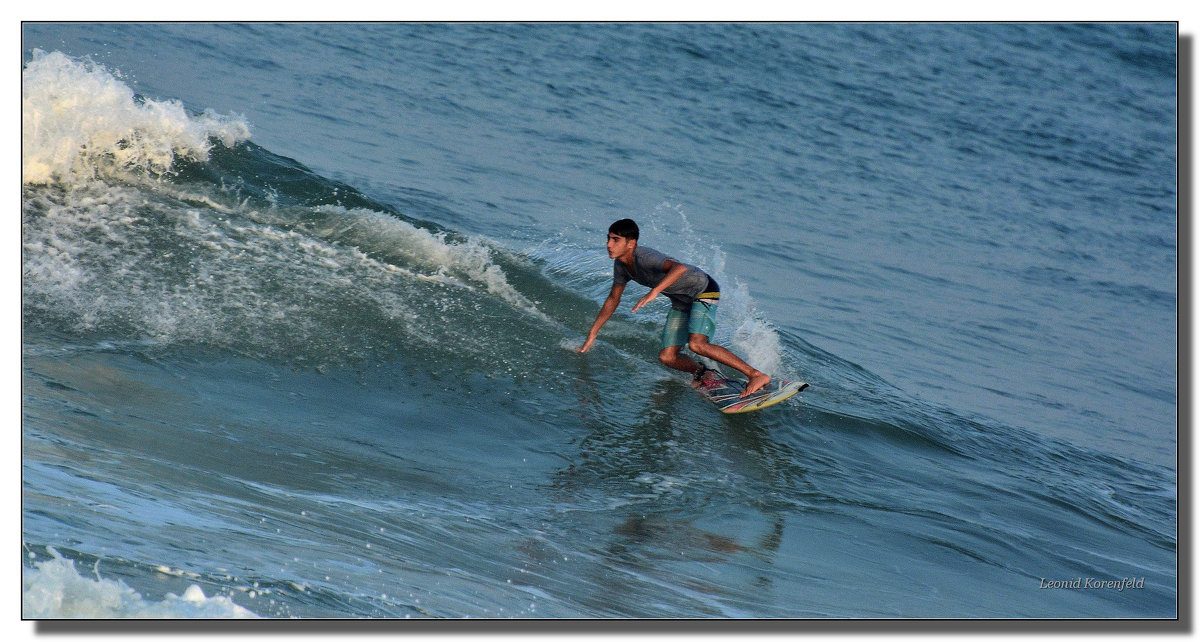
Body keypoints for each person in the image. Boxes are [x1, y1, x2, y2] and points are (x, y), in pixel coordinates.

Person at [577, 218, 771, 398]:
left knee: (697, 344)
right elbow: (613, 299)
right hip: (681, 301)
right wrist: (593, 333)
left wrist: (654, 291)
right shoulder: (621, 266)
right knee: (667, 357)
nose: (609, 245)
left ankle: (756, 374)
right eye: (608, 239)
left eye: (615, 240)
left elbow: (680, 268)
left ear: (631, 243)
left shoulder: (645, 257)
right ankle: (704, 374)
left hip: (703, 290)